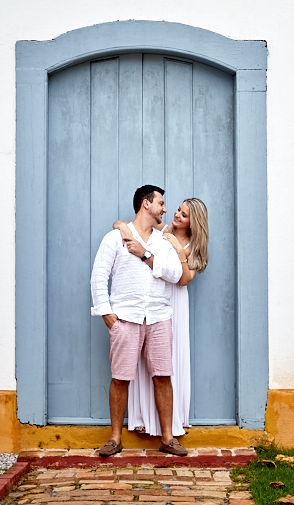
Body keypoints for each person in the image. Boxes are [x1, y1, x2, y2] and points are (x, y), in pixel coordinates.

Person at [89, 185, 188, 457]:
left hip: (158, 316)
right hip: (126, 318)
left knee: (163, 376)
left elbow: (175, 273)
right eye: (161, 203)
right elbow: (99, 277)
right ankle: (114, 439)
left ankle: (168, 439)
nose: (165, 209)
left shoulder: (163, 241)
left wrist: (144, 254)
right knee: (120, 378)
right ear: (146, 204)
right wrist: (106, 313)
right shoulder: (114, 238)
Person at [116, 198, 209, 438]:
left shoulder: (194, 246)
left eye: (184, 215)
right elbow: (120, 224)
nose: (177, 215)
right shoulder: (164, 230)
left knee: (169, 362)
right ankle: (144, 419)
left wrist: (177, 249)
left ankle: (171, 422)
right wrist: (125, 230)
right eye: (178, 209)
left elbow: (184, 278)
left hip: (176, 301)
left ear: (193, 223)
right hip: (156, 298)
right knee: (149, 360)